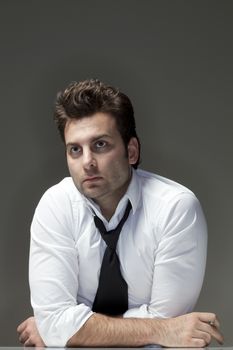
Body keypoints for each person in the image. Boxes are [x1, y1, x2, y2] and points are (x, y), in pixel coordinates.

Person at [17, 79, 223, 347]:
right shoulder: (55, 205)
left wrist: (66, 327)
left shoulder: (175, 208)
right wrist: (158, 329)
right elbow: (165, 330)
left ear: (132, 151)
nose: (87, 162)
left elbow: (166, 325)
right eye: (75, 150)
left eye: (100, 145)